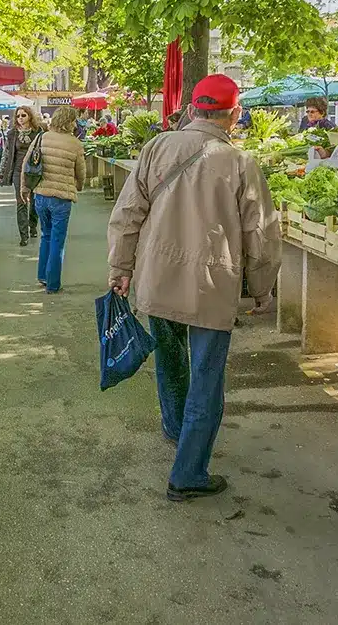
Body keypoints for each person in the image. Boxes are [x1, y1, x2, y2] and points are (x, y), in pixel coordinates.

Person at [107, 74, 281, 502]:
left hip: (158, 277)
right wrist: (261, 288)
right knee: (207, 375)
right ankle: (188, 471)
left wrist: (120, 267)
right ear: (235, 115)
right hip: (211, 285)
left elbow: (127, 213)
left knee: (169, 359)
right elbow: (260, 233)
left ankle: (174, 426)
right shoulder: (241, 163)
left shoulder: (156, 148)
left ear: (190, 110)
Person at [22, 105, 85, 293]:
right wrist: (79, 186)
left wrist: (25, 188)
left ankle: (42, 275)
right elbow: (81, 171)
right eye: (74, 120)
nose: (75, 123)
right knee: (58, 240)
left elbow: (28, 162)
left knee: (46, 236)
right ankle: (53, 284)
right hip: (61, 198)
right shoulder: (75, 143)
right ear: (69, 122)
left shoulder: (42, 137)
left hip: (41, 195)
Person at [0, 105, 43, 246]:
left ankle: (33, 225)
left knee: (35, 201)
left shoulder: (38, 132)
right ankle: (23, 235)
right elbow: (6, 153)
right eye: (18, 116)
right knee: (21, 202)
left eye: (23, 115)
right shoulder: (13, 134)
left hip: (34, 171)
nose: (20, 118)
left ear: (30, 116)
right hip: (18, 171)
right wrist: (2, 172)